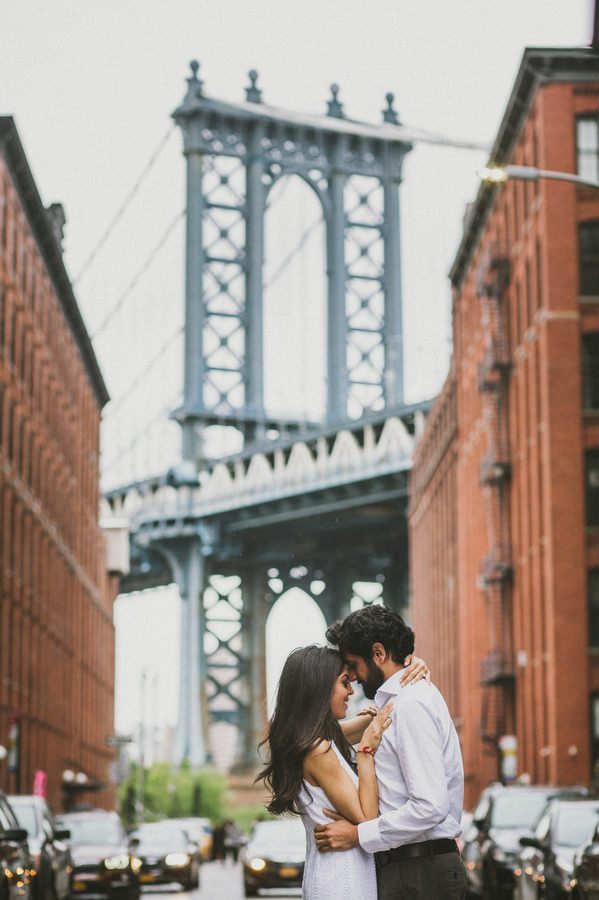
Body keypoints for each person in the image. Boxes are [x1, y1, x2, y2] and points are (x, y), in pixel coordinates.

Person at [314, 605, 466, 900]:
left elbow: (431, 806)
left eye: (353, 665)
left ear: (379, 653)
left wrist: (359, 835)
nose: (354, 678)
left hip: (420, 871)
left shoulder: (410, 705)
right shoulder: (398, 703)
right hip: (412, 868)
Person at [256, 643, 429, 899]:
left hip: (339, 875)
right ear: (319, 689)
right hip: (342, 881)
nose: (351, 690)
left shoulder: (312, 740)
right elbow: (367, 817)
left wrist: (411, 667)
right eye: (344, 682)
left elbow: (380, 718)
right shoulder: (318, 751)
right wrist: (365, 753)